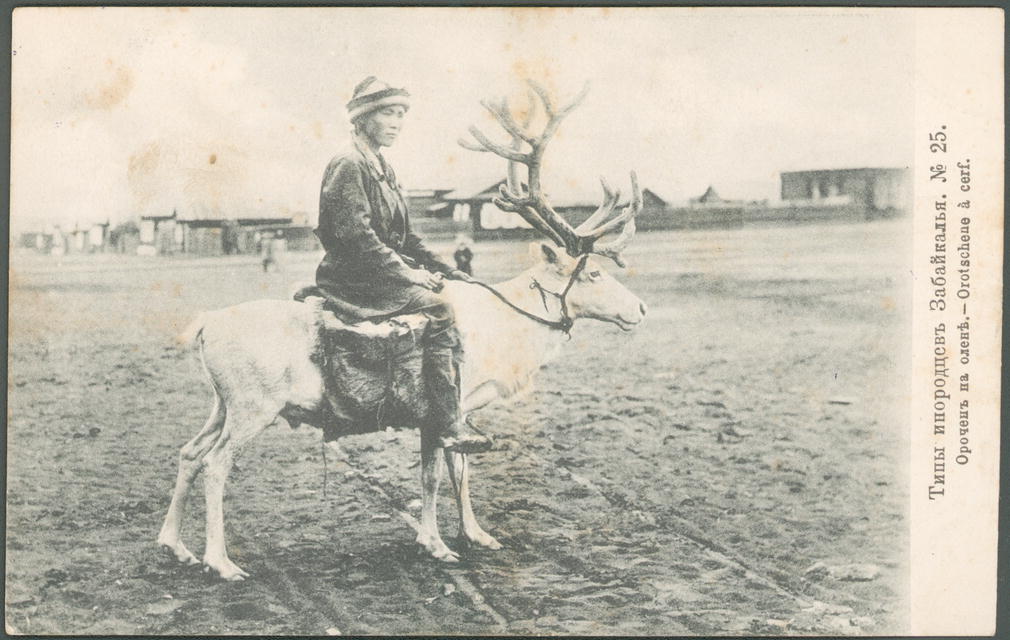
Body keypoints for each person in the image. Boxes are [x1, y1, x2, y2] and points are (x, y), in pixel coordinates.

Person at [312, 76, 491, 454]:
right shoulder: (349, 164)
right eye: (388, 114)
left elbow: (407, 238)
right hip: (355, 279)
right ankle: (446, 421)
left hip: (378, 273)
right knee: (440, 308)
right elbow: (358, 238)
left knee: (450, 290)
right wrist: (410, 274)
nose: (396, 123)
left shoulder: (382, 168)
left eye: (401, 115)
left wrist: (448, 270)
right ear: (362, 119)